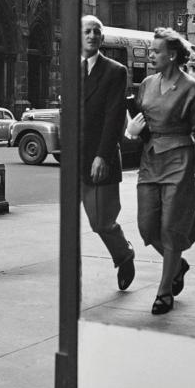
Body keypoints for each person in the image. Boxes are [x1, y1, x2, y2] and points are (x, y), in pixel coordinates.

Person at [126, 27, 195, 315]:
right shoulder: (148, 84)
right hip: (151, 159)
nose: (151, 55)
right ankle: (178, 264)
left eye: (155, 51)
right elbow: (139, 117)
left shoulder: (190, 88)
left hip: (180, 161)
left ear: (172, 55)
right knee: (147, 227)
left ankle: (164, 291)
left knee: (170, 229)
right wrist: (133, 131)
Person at [81, 15, 135, 291]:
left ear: (101, 38)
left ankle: (124, 255)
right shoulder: (70, 69)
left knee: (103, 222)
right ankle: (122, 251)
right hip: (76, 159)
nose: (92, 35)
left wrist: (103, 155)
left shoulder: (115, 71)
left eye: (96, 32)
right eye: (87, 31)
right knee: (93, 221)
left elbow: (114, 117)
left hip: (101, 157)